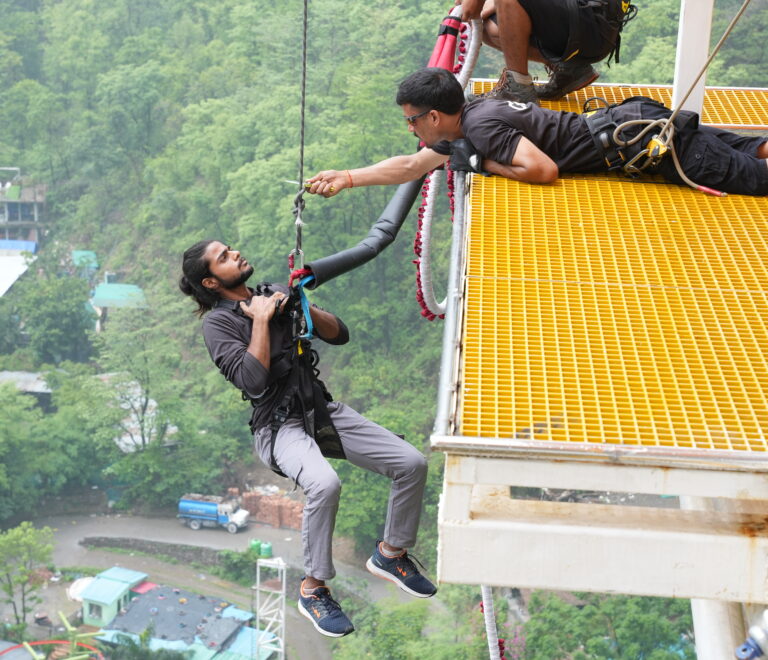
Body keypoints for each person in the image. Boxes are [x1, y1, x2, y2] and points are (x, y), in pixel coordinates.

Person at [179, 240, 437, 638]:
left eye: (232, 249)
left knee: (411, 463)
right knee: (324, 483)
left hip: (319, 410)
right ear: (211, 282)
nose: (237, 254)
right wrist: (262, 321)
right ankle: (313, 589)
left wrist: (300, 304)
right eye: (225, 257)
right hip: (279, 426)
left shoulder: (271, 293)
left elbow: (339, 334)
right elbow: (252, 380)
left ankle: (391, 554)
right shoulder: (219, 324)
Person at [305, 67, 768, 197]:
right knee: (755, 147)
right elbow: (410, 166)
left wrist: (484, 164)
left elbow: (543, 171)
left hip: (653, 146)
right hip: (635, 123)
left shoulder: (481, 129)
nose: (408, 128)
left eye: (410, 119)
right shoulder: (474, 109)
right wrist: (347, 176)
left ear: (432, 117)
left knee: (756, 177)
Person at [456, 0, 635, 103]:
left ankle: (517, 88)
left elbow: (469, 10)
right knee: (490, 28)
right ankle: (568, 68)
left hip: (590, 23)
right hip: (596, 26)